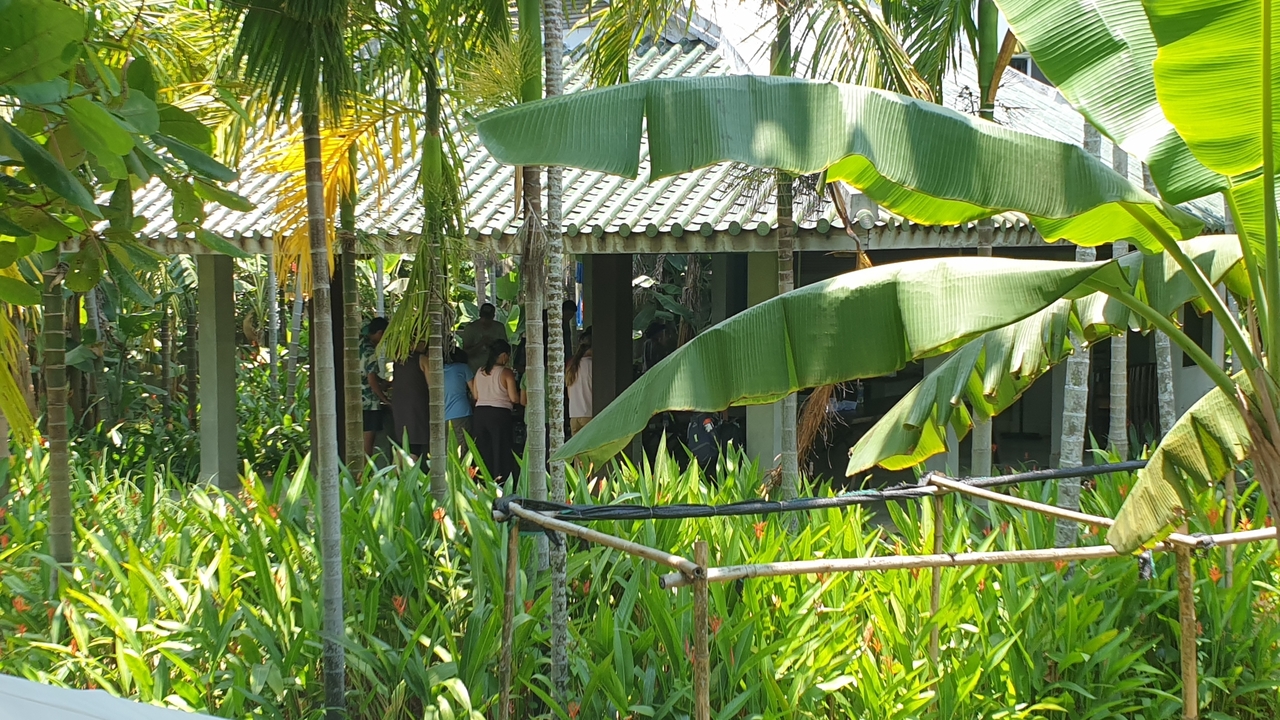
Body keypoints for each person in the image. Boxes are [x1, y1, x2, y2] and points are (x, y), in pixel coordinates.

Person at [468, 339, 520, 482]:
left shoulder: (480, 371)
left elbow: (476, 395)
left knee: (482, 450)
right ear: (503, 355)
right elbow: (514, 398)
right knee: (500, 449)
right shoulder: (506, 373)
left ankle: (481, 481)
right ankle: (500, 481)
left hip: (480, 414)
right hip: (499, 415)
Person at [391, 341, 430, 461]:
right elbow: (433, 384)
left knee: (402, 443)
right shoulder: (422, 359)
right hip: (417, 404)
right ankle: (411, 476)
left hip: (400, 403)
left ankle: (395, 476)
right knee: (414, 444)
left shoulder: (398, 360)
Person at [361, 317, 391, 457]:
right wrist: (384, 398)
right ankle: (365, 475)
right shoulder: (369, 350)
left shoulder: (359, 343)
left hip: (356, 399)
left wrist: (384, 382)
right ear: (380, 333)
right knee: (368, 443)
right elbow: (371, 378)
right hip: (369, 403)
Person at [458, 303, 508, 374]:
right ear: (479, 315)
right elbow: (465, 353)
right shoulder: (470, 328)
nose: (485, 321)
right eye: (483, 317)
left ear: (493, 316)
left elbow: (505, 351)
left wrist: (493, 345)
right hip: (474, 370)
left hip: (494, 372)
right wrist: (481, 343)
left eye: (488, 318)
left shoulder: (499, 327)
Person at [443, 347, 474, 455]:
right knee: (463, 447)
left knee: (447, 449)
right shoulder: (464, 368)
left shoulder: (440, 370)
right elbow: (474, 392)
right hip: (461, 412)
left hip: (443, 416)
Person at [565, 329, 593, 436]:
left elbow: (569, 394)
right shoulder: (592, 365)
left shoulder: (572, 366)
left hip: (574, 415)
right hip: (589, 414)